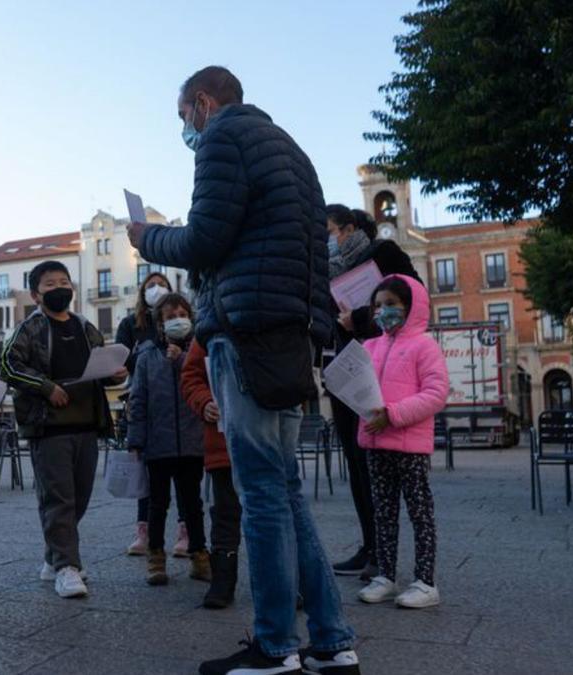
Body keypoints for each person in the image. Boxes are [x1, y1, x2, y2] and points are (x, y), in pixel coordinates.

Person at [128, 66, 359, 675]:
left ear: (202, 103)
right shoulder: (292, 149)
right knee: (283, 488)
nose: (187, 129)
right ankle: (333, 641)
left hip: (246, 328)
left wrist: (146, 237)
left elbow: (204, 240)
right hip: (289, 331)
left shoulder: (223, 139)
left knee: (260, 492)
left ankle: (275, 646)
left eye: (184, 117)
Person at [0, 260, 127, 599]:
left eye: (64, 281)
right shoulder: (29, 329)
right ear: (35, 293)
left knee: (80, 497)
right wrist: (45, 387)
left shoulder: (85, 327)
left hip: (87, 422)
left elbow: (101, 363)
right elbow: (8, 365)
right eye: (50, 283)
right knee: (59, 498)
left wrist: (116, 374)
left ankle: (53, 556)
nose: (60, 288)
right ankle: (67, 567)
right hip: (49, 426)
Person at [325, 205, 421, 580]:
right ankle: (370, 545)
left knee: (380, 464)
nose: (327, 241)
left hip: (383, 368)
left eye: (330, 232)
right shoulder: (328, 271)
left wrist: (361, 319)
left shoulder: (385, 254)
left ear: (350, 228)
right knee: (355, 460)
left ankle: (386, 551)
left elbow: (413, 300)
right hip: (344, 370)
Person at [355, 274, 449, 609]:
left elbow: (437, 394)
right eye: (378, 305)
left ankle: (426, 581)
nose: (383, 311)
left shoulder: (424, 346)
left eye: (391, 304)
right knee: (383, 512)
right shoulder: (370, 347)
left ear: (411, 307)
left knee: (419, 512)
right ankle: (386, 575)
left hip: (408, 445)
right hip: (376, 443)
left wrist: (393, 414)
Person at [127, 293, 209, 586]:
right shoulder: (147, 356)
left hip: (191, 442)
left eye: (182, 314)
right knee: (157, 504)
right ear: (160, 324)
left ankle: (199, 554)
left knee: (192, 503)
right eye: (170, 317)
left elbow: (207, 382)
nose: (178, 321)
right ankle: (156, 556)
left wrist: (184, 359)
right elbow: (138, 399)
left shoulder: (199, 351)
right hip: (158, 444)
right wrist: (135, 440)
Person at [115, 272, 189, 558]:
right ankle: (143, 530)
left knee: (185, 475)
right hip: (146, 398)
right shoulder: (130, 324)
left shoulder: (182, 324)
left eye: (161, 285)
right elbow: (120, 356)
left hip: (182, 402)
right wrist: (146, 355)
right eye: (150, 286)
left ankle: (184, 529)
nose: (156, 289)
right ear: (142, 293)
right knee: (147, 474)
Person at [181, 337, 241, 609]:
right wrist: (204, 402)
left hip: (267, 438)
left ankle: (283, 582)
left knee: (272, 514)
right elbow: (191, 376)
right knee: (226, 513)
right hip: (223, 441)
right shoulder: (210, 327)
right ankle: (223, 581)